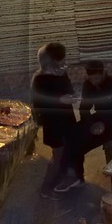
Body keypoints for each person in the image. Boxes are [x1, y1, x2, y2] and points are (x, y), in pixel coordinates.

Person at [30, 41, 80, 195]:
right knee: (57, 154)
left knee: (69, 148)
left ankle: (64, 179)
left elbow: (68, 87)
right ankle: (46, 188)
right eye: (59, 61)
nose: (62, 64)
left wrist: (73, 95)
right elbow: (39, 102)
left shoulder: (60, 72)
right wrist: (60, 100)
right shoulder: (40, 79)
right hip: (52, 122)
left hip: (66, 117)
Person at [78, 59, 112, 175]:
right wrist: (90, 125)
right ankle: (77, 177)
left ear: (104, 73)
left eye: (96, 78)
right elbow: (84, 108)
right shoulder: (88, 85)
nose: (94, 82)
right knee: (75, 140)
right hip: (99, 118)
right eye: (91, 79)